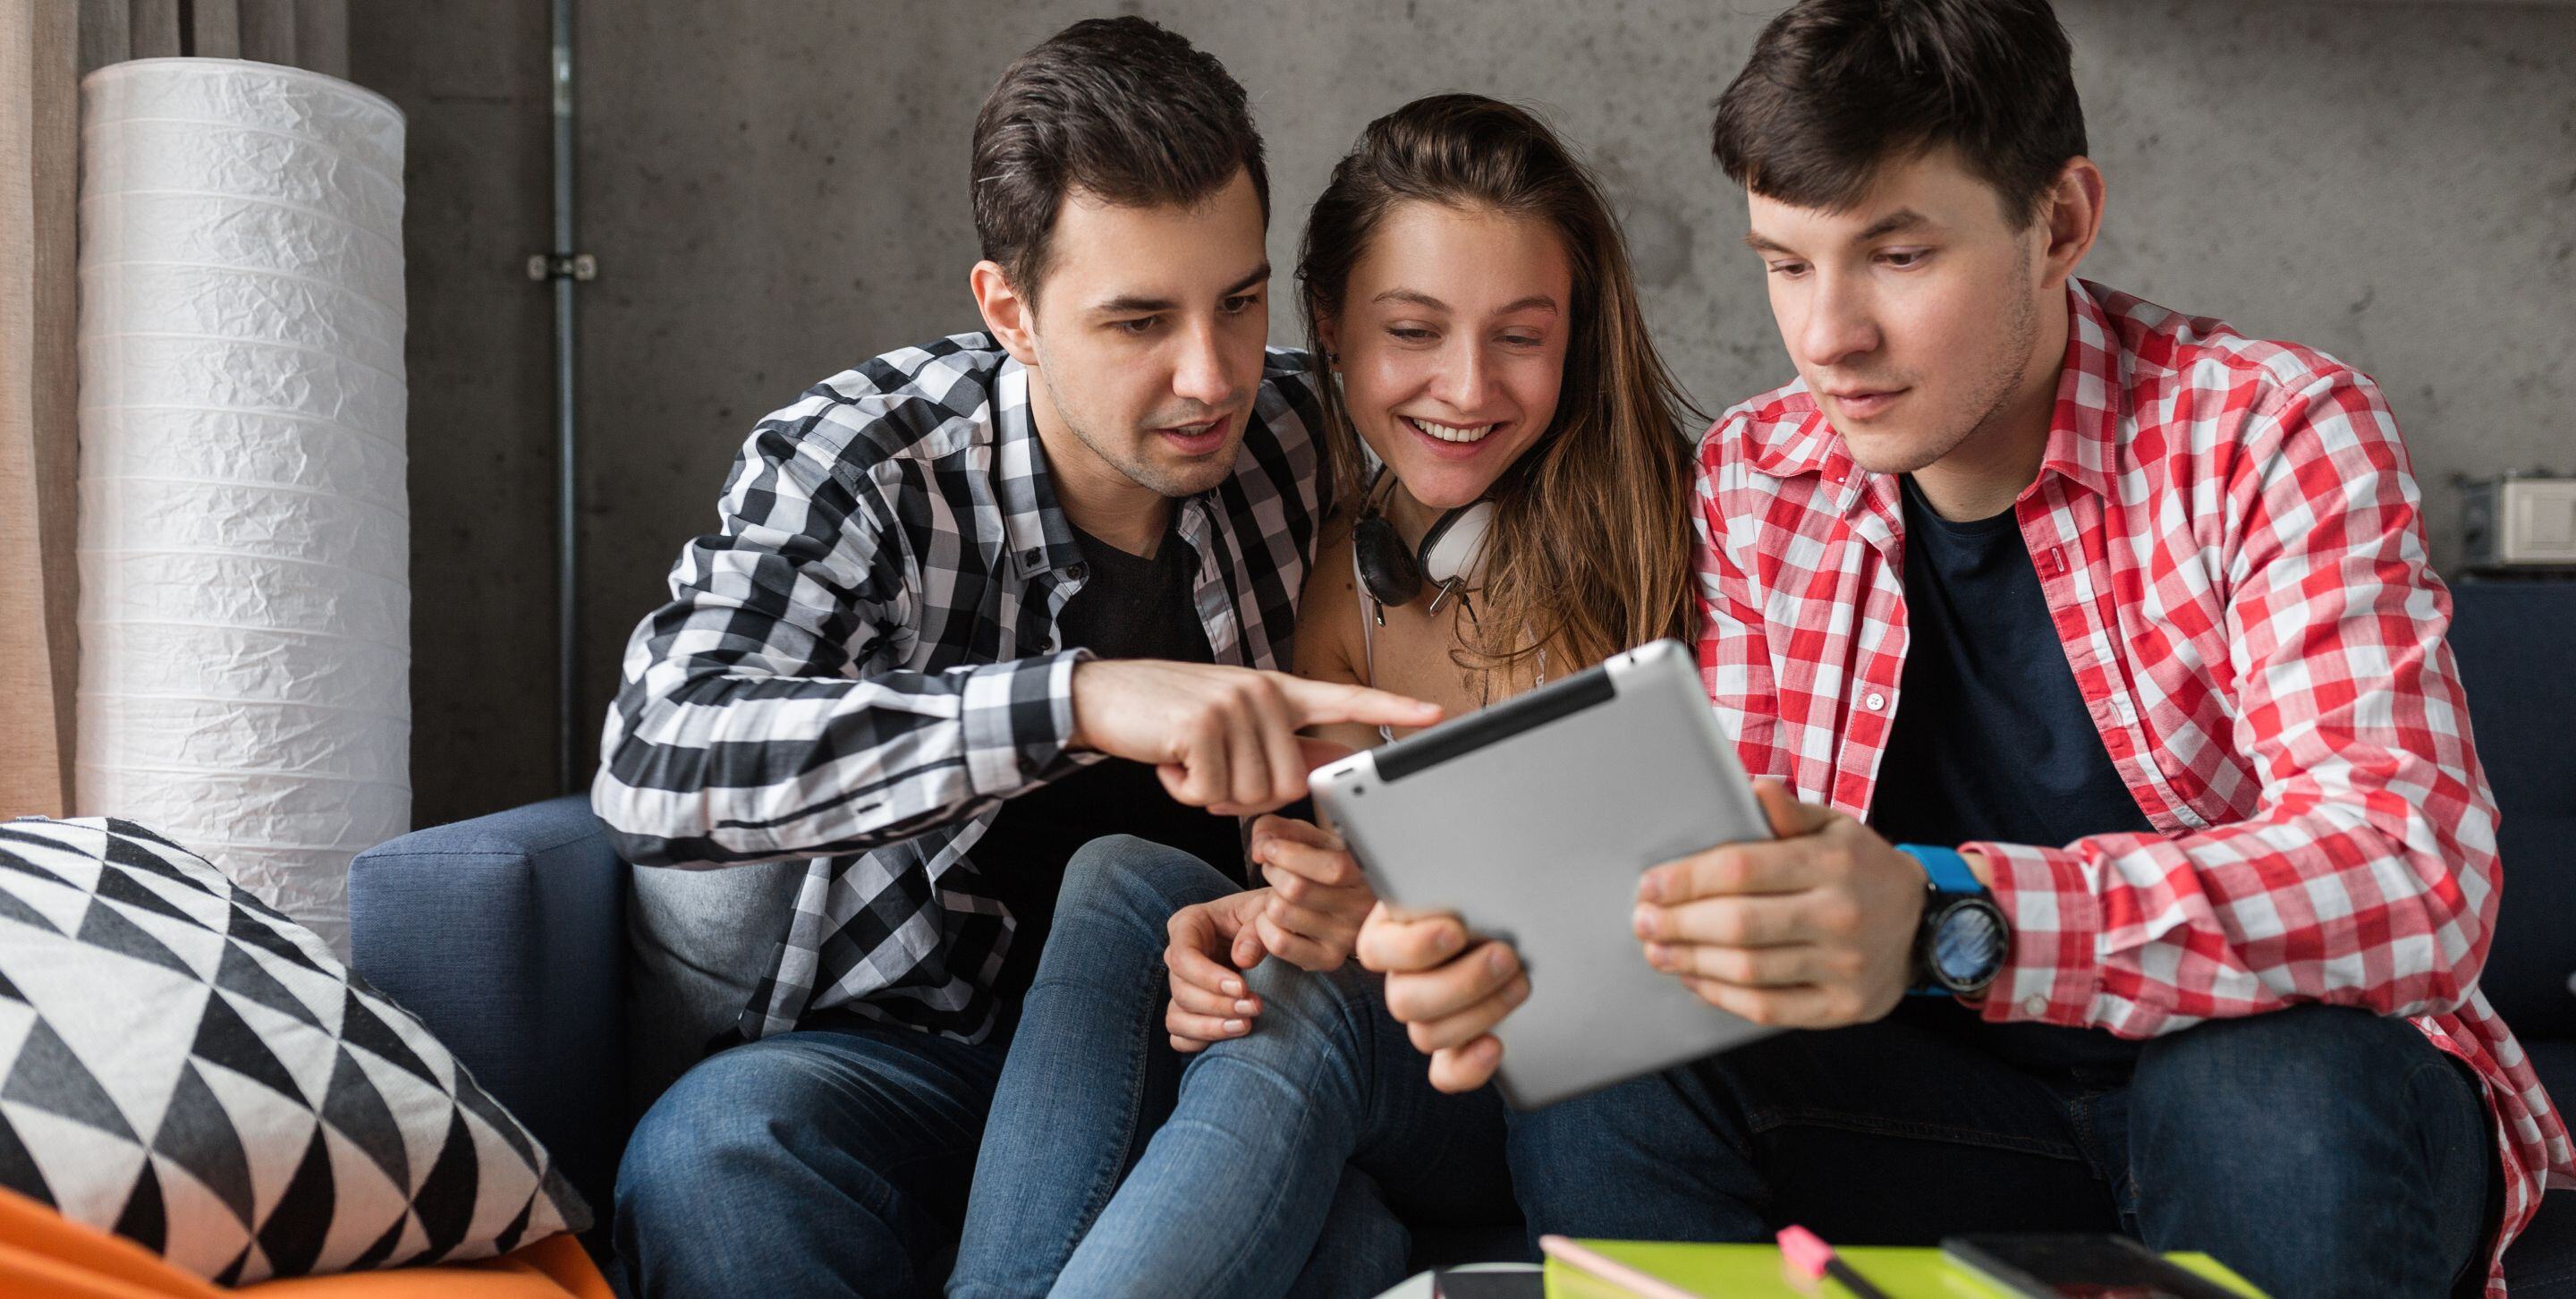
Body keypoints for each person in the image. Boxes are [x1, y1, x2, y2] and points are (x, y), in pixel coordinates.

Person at [1359, 3, 2572, 1296]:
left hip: (2271, 1100)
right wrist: (1524, 960)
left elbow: (2411, 874)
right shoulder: (1763, 476)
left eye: (1897, 257)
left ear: (2058, 222)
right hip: (1950, 1116)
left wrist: (1960, 918)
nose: (1828, 337)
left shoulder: (2270, 433)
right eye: (1785, 264)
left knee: (2265, 1085)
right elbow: (1761, 875)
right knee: (1611, 1074)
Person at [588, 19, 1440, 1298]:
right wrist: (1083, 699)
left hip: (1193, 1031)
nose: (1212, 376)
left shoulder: (1304, 439)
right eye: (1138, 320)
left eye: (1242, 301)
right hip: (923, 1043)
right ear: (1012, 312)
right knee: (713, 1151)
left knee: (1343, 1235)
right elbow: (657, 760)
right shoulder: (865, 469)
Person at [946, 94, 1699, 1299]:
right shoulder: (1334, 548)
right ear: (1332, 331)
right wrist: (1255, 919)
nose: (1466, 385)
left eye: (1522, 334)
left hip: (1556, 1076)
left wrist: (1358, 929)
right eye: (1414, 330)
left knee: (1302, 1011)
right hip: (1404, 1053)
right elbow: (1335, 870)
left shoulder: (1666, 533)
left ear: (1578, 338)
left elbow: (1636, 930)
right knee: (1124, 885)